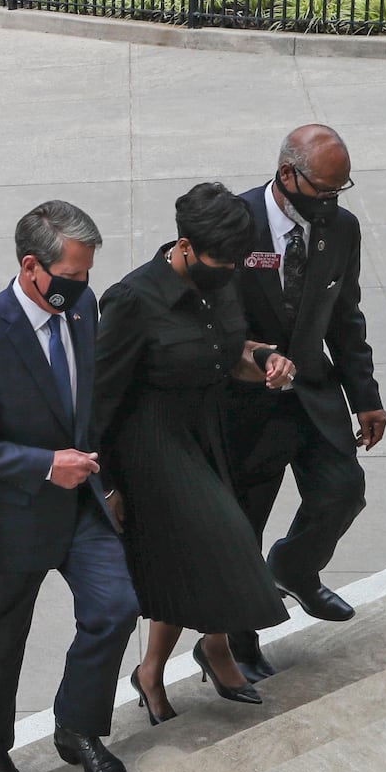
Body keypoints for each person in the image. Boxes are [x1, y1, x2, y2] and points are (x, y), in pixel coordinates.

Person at [0, 200, 139, 772]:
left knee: (115, 608)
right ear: (32, 266)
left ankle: (77, 729)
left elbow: (89, 403)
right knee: (3, 635)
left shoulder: (82, 309)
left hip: (81, 507)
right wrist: (44, 465)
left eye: (87, 275)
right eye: (72, 275)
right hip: (12, 516)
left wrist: (104, 478)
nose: (82, 287)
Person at [96, 184, 295, 723]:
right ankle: (219, 646)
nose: (229, 268)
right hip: (150, 441)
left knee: (188, 562)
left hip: (206, 430)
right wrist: (107, 482)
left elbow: (229, 355)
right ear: (183, 245)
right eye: (219, 258)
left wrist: (267, 362)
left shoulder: (223, 278)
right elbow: (101, 396)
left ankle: (153, 670)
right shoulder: (132, 299)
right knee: (225, 540)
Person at [224, 125, 386, 683]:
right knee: (244, 525)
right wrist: (250, 357)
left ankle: (293, 568)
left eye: (340, 191)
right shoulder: (235, 224)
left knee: (344, 491)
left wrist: (365, 396)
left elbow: (345, 315)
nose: (331, 203)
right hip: (246, 402)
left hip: (313, 393)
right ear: (287, 174)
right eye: (323, 190)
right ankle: (234, 645)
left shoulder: (340, 228)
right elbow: (209, 317)